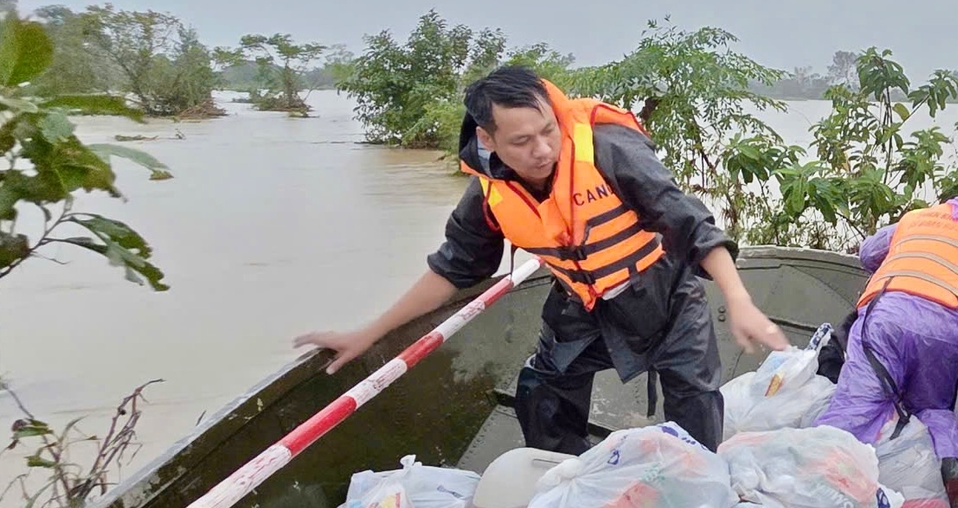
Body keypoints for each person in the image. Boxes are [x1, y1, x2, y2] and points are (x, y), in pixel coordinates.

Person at [295, 66, 784, 453]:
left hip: (668, 296)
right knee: (542, 391)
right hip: (586, 306)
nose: (543, 150)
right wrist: (368, 333)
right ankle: (563, 484)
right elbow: (452, 270)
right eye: (522, 142)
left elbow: (692, 224)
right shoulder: (488, 193)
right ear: (488, 141)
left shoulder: (609, 149)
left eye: (547, 131)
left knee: (697, 413)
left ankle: (695, 506)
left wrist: (737, 298)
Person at [816, 187, 958, 508]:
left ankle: (815, 484)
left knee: (856, 407)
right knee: (933, 407)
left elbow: (867, 253)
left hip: (888, 316)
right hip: (947, 330)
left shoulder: (917, 219)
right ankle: (951, 460)